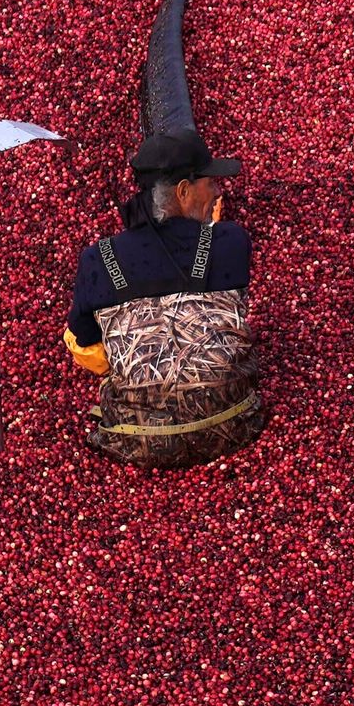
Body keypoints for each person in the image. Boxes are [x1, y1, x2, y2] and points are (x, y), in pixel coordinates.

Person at [67, 126, 266, 468]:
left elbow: (86, 346)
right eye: (210, 182)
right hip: (233, 427)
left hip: (136, 439)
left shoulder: (98, 259)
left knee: (76, 335)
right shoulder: (232, 241)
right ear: (184, 191)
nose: (218, 191)